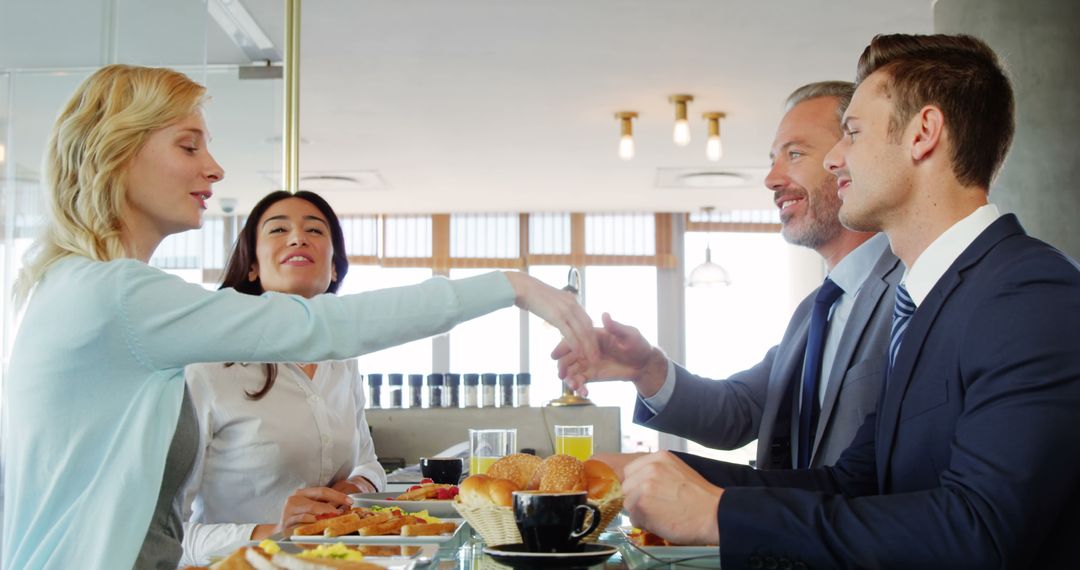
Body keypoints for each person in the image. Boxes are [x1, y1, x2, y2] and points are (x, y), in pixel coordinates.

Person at [0, 64, 595, 570]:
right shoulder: (115, 296)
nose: (214, 169)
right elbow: (324, 326)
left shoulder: (87, 289)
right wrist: (511, 285)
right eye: (189, 145)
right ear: (117, 153)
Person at [615, 34, 1080, 569]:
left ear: (923, 134)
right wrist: (643, 473)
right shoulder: (926, 302)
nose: (837, 157)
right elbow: (850, 485)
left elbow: (980, 530)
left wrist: (719, 514)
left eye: (852, 133)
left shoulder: (1028, 291)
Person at [558, 81, 902, 471]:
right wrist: (646, 368)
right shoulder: (815, 311)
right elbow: (737, 411)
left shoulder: (913, 289)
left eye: (794, 154)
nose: (771, 178)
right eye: (774, 158)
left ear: (851, 157)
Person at [178, 190, 387, 565]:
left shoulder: (342, 360)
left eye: (315, 230)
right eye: (278, 229)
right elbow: (169, 535)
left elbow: (370, 465)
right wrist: (273, 529)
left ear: (335, 267)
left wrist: (353, 488)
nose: (297, 237)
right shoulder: (207, 367)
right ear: (253, 266)